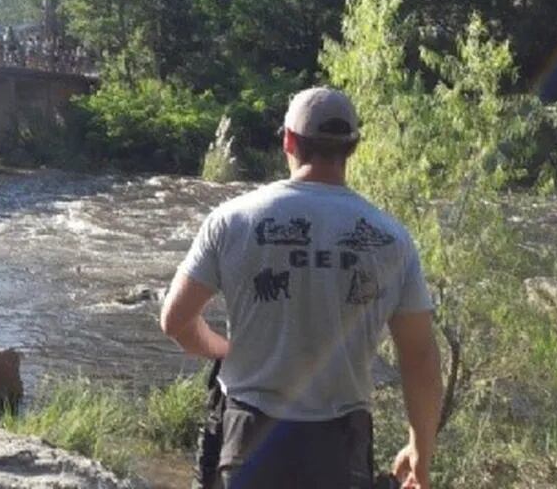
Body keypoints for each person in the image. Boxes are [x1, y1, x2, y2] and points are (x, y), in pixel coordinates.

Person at [161, 87, 443, 489]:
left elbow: (175, 322)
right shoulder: (392, 239)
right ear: (353, 148)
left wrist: (222, 349)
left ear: (288, 141)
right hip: (339, 446)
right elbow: (420, 358)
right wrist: (420, 448)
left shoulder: (231, 220)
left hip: (247, 437)